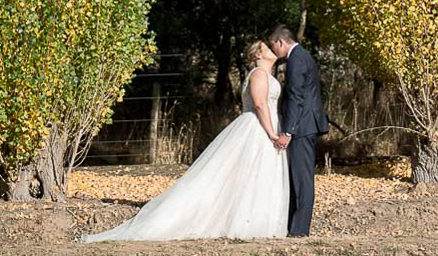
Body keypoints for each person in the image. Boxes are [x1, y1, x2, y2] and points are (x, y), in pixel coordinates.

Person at [82, 41, 289, 242]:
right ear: (258, 55)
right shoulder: (260, 74)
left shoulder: (266, 75)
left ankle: (252, 220)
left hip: (262, 127)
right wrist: (271, 133)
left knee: (253, 175)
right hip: (258, 128)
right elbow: (260, 104)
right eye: (266, 48)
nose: (271, 49)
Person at [268, 25, 329, 237]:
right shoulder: (301, 56)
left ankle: (300, 229)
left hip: (302, 127)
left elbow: (296, 97)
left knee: (302, 179)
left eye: (273, 47)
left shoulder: (296, 59)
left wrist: (288, 131)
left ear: (280, 42)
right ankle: (294, 226)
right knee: (298, 177)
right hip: (304, 125)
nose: (274, 52)